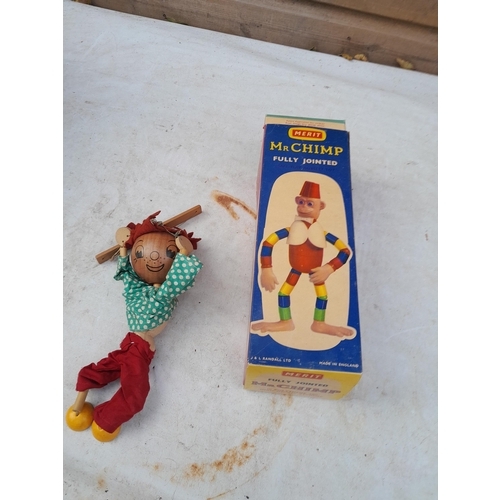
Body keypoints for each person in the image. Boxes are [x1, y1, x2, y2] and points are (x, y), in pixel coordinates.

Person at [66, 212, 202, 441]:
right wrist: (184, 255)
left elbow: (128, 276)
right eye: (139, 253)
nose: (155, 258)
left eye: (168, 254)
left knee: (108, 368)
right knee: (135, 396)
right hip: (138, 348)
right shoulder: (160, 295)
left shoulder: (135, 291)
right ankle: (105, 422)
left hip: (130, 343)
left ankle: (78, 406)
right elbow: (175, 282)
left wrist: (123, 251)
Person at [252, 181, 355, 337]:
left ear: (321, 207)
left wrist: (329, 268)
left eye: (309, 204)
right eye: (301, 202)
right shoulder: (291, 229)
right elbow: (268, 243)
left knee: (322, 296)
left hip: (316, 271)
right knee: (283, 294)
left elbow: (345, 251)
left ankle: (319, 323)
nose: (303, 207)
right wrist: (266, 269)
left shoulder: (323, 233)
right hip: (295, 269)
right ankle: (286, 322)